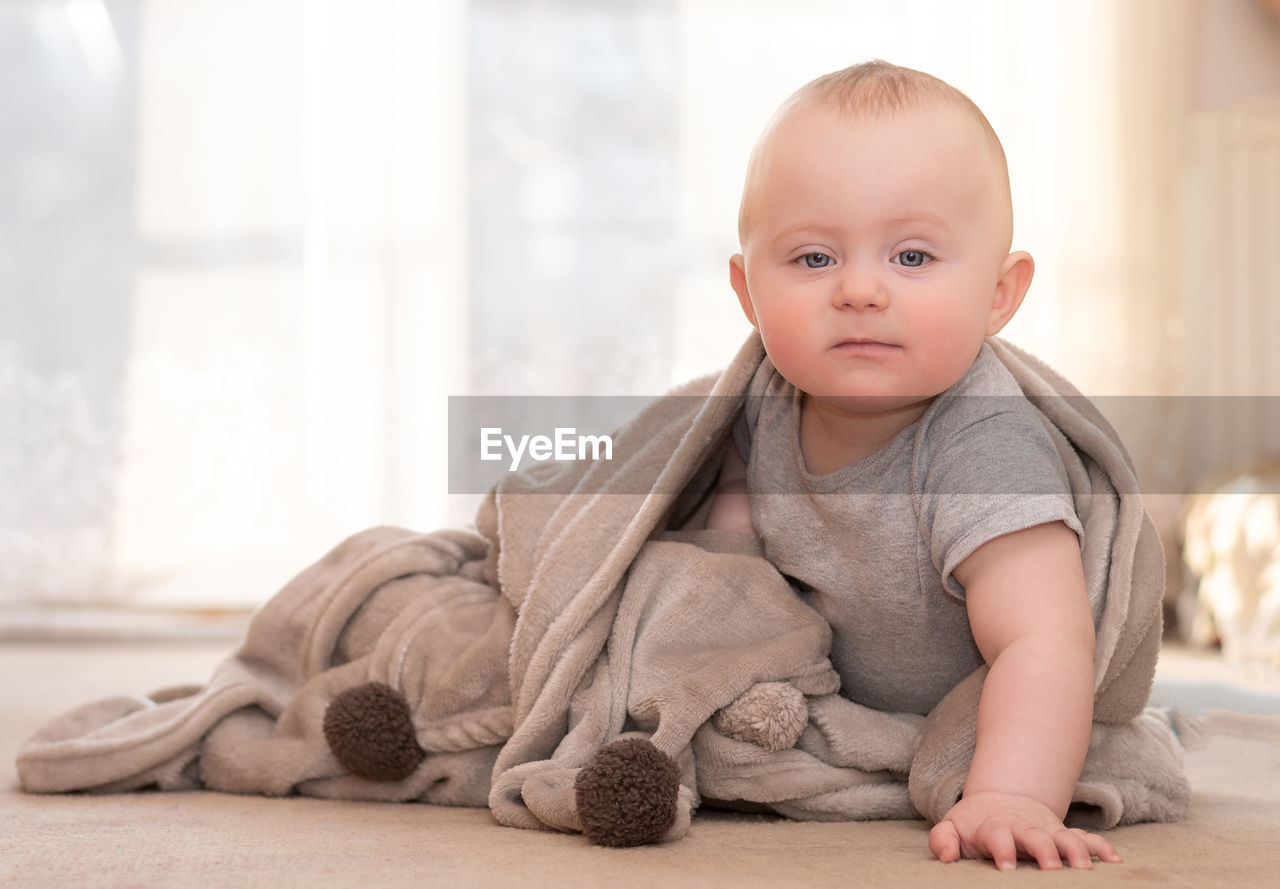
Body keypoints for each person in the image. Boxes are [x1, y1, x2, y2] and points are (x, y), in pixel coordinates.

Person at [698, 60, 1123, 871]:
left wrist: (1014, 793)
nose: (860, 289)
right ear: (748, 292)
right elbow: (732, 544)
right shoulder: (766, 400)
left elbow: (1045, 639)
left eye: (914, 258)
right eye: (815, 259)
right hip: (834, 695)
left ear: (1000, 294)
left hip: (970, 709)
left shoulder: (983, 446)